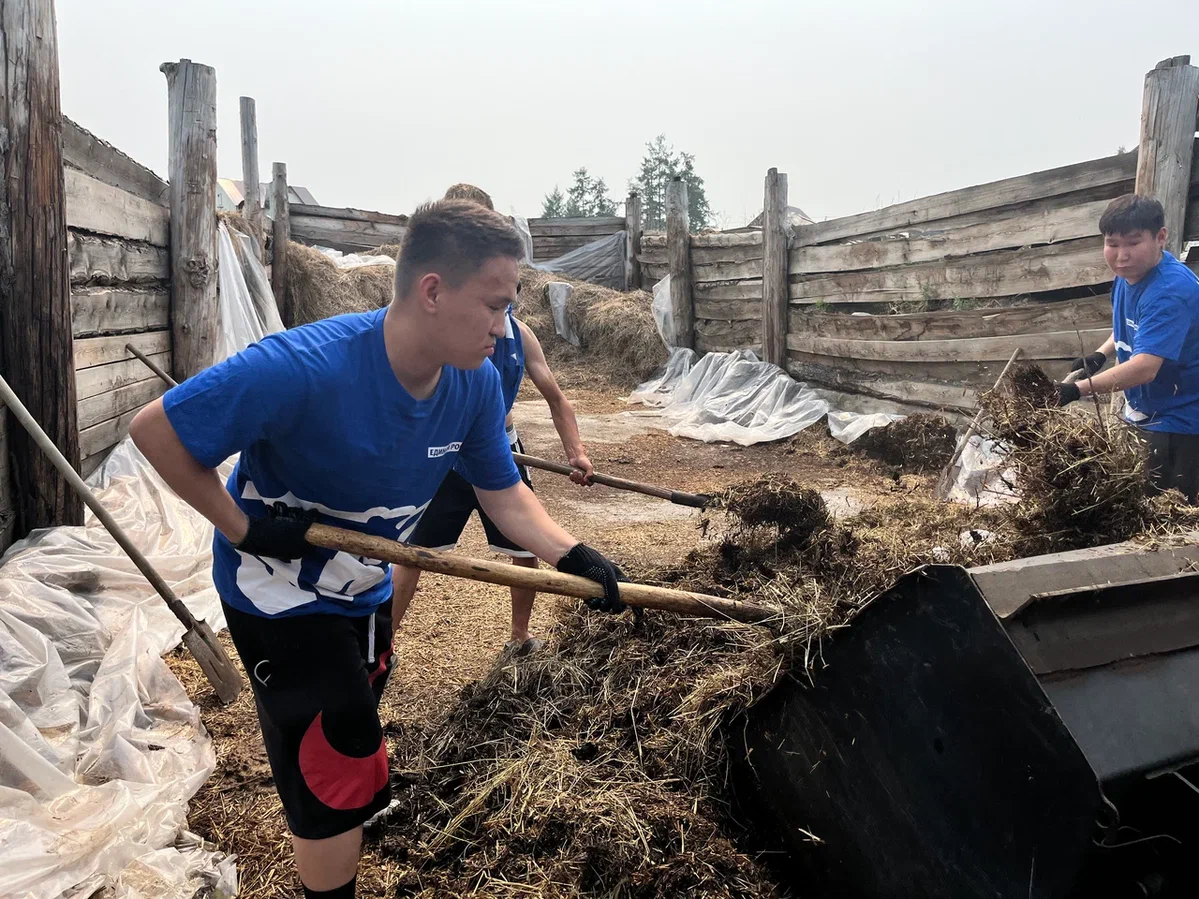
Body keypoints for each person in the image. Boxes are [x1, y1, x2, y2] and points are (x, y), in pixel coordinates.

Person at [128, 200, 625, 899]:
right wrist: (242, 526)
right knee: (336, 746)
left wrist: (574, 555)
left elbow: (504, 494)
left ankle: (345, 816)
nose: (503, 327)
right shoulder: (302, 366)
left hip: (364, 587)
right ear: (431, 291)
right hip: (276, 585)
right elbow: (157, 431)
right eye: (493, 304)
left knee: (354, 726)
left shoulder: (475, 382)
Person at [393, 183, 592, 655]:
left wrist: (576, 452)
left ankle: (519, 639)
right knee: (411, 554)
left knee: (523, 550)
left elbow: (556, 398)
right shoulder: (427, 328)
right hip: (440, 452)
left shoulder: (517, 335)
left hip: (498, 449)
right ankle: (382, 645)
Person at [1057, 194, 1199, 502]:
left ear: (1161, 237)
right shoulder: (1128, 276)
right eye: (1112, 243)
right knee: (1137, 497)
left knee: (1167, 513)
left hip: (1184, 417)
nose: (1121, 255)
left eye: (1133, 243)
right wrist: (1101, 353)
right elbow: (1134, 325)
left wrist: (1077, 389)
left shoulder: (1170, 291)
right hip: (1149, 408)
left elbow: (1145, 368)